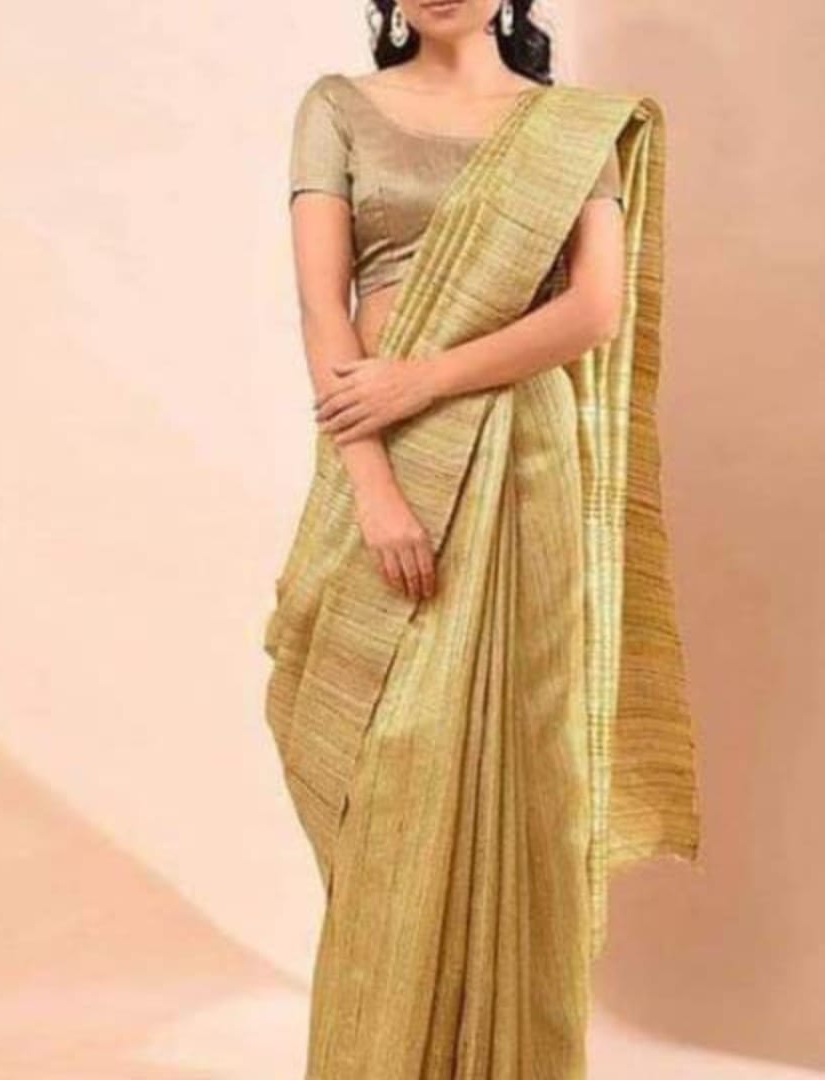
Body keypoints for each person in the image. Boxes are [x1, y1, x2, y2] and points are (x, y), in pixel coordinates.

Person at [262, 1, 703, 1075]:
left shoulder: (571, 126)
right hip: (383, 455)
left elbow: (592, 311)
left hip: (525, 464)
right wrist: (373, 486)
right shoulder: (338, 107)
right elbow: (324, 312)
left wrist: (424, 376)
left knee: (527, 763)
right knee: (382, 765)